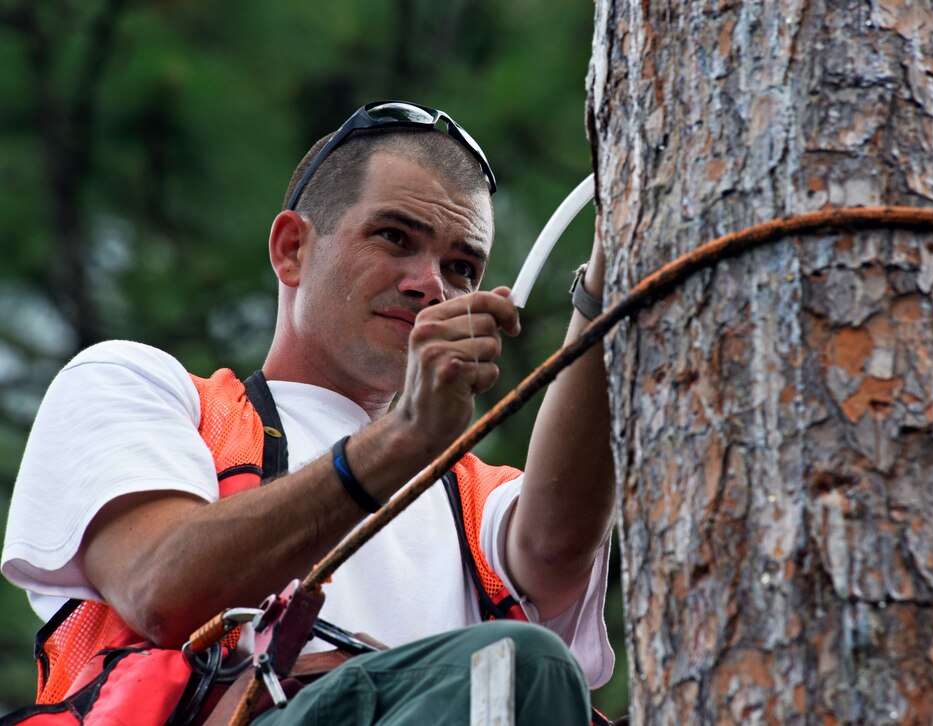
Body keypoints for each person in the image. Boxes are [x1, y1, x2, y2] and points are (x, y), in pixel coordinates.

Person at [2, 101, 615, 724]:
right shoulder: (145, 390)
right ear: (292, 248)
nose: (429, 284)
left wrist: (612, 272)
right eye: (394, 237)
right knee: (516, 666)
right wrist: (402, 441)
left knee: (520, 672)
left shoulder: (479, 500)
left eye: (461, 268)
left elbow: (558, 547)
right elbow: (159, 589)